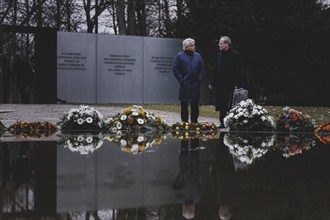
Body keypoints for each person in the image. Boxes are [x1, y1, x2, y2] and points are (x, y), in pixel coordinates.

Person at [208, 36, 244, 128]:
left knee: (231, 104)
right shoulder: (219, 55)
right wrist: (212, 82)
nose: (219, 45)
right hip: (220, 84)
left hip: (231, 85)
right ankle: (222, 122)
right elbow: (216, 69)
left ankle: (232, 122)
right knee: (221, 105)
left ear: (227, 44)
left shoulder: (235, 55)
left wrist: (238, 84)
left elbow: (238, 71)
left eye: (221, 43)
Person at [172, 38, 206, 123]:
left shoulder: (198, 56)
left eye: (194, 45)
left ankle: (194, 123)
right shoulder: (179, 56)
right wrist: (182, 80)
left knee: (195, 105)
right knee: (184, 105)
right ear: (186, 47)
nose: (194, 47)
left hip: (195, 84)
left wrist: (199, 79)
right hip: (185, 84)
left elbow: (202, 69)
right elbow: (175, 69)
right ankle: (184, 123)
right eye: (191, 45)